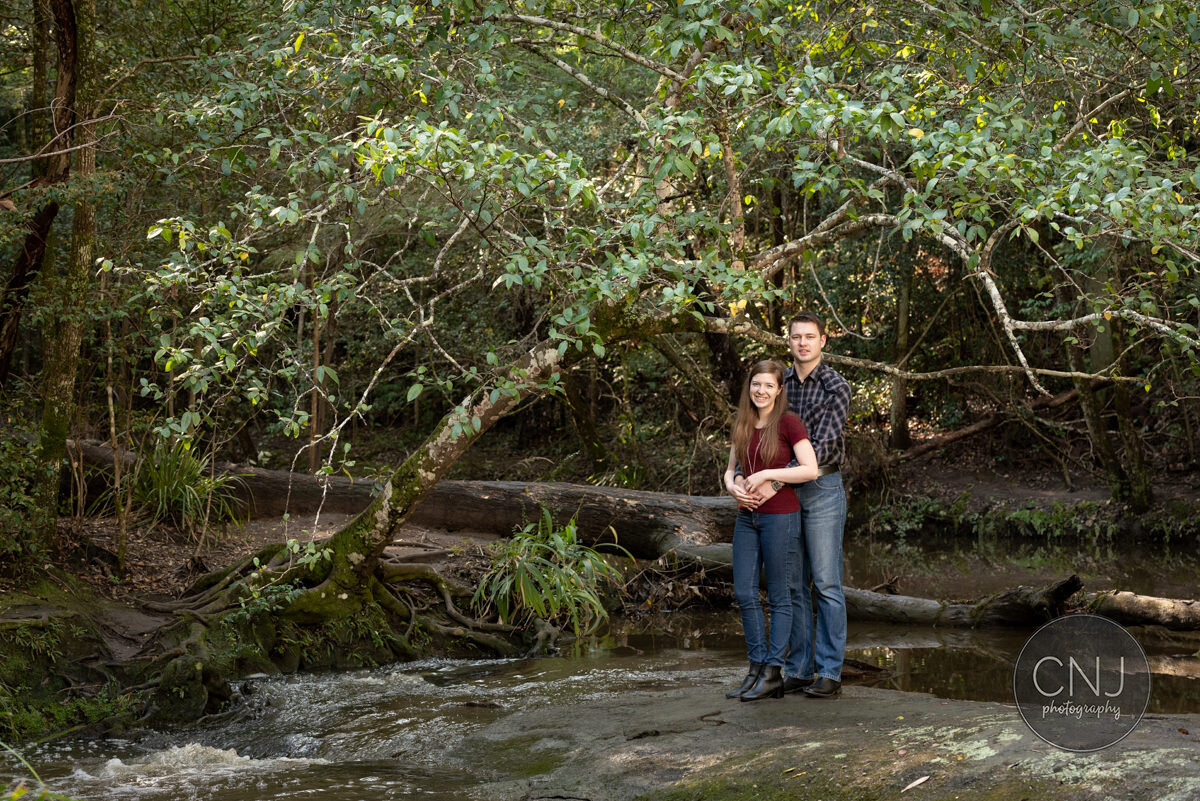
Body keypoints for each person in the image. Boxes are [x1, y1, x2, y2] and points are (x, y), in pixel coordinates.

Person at [723, 360, 819, 701]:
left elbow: (810, 469)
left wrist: (766, 476)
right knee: (745, 593)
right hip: (747, 517)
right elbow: (731, 470)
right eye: (755, 385)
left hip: (781, 516)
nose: (760, 391)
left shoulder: (789, 423)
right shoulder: (744, 422)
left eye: (768, 386)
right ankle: (755, 667)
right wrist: (733, 485)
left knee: (780, 596)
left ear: (779, 390)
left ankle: (773, 672)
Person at [779, 311, 851, 699]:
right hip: (785, 492)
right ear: (788, 342)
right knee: (793, 584)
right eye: (796, 337)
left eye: (810, 336)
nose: (803, 343)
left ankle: (830, 672)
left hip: (822, 488)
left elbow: (822, 445)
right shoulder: (779, 386)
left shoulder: (837, 387)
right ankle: (799, 668)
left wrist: (777, 473)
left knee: (825, 583)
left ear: (823, 341)